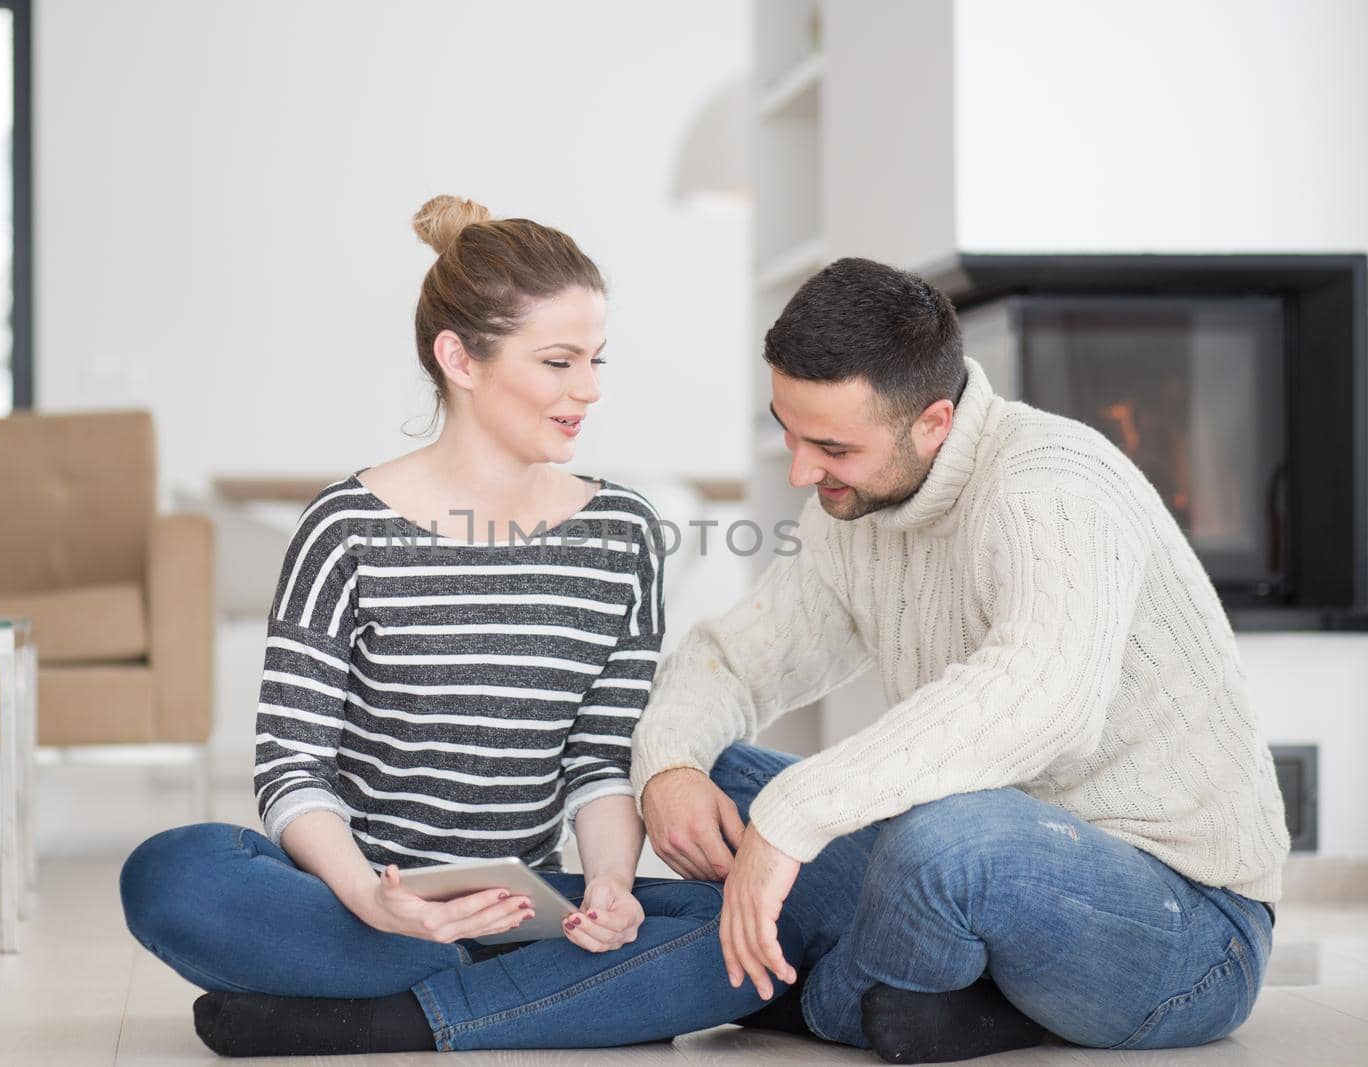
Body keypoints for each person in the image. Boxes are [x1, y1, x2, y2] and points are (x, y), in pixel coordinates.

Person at [118, 196, 782, 1056]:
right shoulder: (344, 529)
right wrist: (368, 895)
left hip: (529, 905)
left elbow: (594, 758)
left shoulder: (621, 536)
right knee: (171, 873)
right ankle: (537, 998)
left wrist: (614, 884)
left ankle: (378, 1017)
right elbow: (289, 765)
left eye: (595, 360)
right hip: (355, 898)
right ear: (459, 358)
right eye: (558, 361)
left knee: (758, 921)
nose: (589, 389)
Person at [632, 257, 1290, 1063]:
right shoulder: (855, 510)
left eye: (831, 445)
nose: (802, 471)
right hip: (978, 869)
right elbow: (731, 659)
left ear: (933, 422)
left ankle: (823, 998)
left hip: (1186, 926)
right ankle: (926, 992)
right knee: (721, 773)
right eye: (787, 430)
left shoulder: (1050, 484)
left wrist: (795, 816)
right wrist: (668, 768)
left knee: (944, 839)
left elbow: (1043, 695)